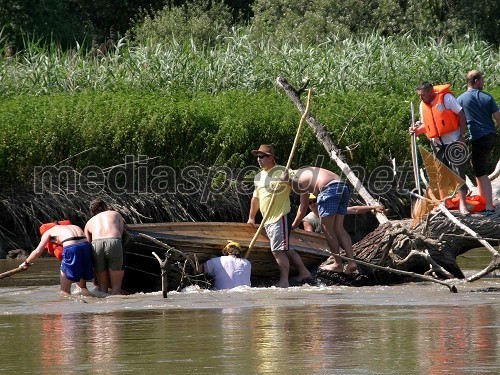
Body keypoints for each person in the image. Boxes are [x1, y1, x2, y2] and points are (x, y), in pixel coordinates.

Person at [247, 144, 312, 288]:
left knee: (277, 250)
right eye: (258, 157)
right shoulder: (259, 176)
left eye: (262, 156)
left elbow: (302, 189)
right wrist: (251, 217)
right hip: (267, 220)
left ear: (271, 158)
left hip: (280, 217)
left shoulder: (283, 170)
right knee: (285, 248)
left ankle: (284, 281)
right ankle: (304, 272)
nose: (259, 159)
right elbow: (255, 199)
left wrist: (288, 180)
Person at [410, 82, 469, 214]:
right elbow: (427, 125)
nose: (421, 98)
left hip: (454, 140)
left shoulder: (446, 98)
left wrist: (462, 136)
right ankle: (444, 203)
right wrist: (416, 131)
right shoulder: (422, 105)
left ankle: (463, 204)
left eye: (423, 95)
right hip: (437, 143)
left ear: (431, 92)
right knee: (441, 174)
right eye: (419, 95)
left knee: (458, 172)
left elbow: (461, 115)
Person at [289, 167, 357, 275]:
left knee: (326, 228)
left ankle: (338, 264)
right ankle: (352, 262)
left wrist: (293, 226)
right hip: (343, 187)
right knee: (338, 227)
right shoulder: (307, 171)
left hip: (329, 189)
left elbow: (303, 206)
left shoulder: (297, 179)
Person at [457, 70, 500, 212]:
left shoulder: (461, 99)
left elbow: (455, 117)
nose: (484, 82)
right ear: (476, 81)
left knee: (481, 172)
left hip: (478, 137)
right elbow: (498, 117)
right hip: (490, 136)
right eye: (482, 79)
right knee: (478, 169)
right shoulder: (487, 97)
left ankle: (488, 205)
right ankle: (484, 200)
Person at [19, 223, 93, 295]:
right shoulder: (73, 226)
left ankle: (67, 304)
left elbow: (38, 251)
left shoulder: (48, 232)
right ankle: (86, 303)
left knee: (64, 291)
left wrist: (26, 262)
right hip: (86, 247)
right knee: (82, 288)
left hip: (71, 248)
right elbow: (77, 242)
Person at [84, 198, 125, 295]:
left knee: (102, 288)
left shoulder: (89, 222)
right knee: (116, 288)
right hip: (113, 240)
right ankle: (116, 296)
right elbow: (121, 232)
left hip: (96, 243)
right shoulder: (115, 214)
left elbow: (87, 244)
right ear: (105, 207)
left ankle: (103, 301)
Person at [303, 193, 385, 233]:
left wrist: (373, 207)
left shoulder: (331, 210)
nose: (313, 204)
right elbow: (310, 236)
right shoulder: (308, 220)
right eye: (310, 202)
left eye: (314, 201)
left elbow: (354, 210)